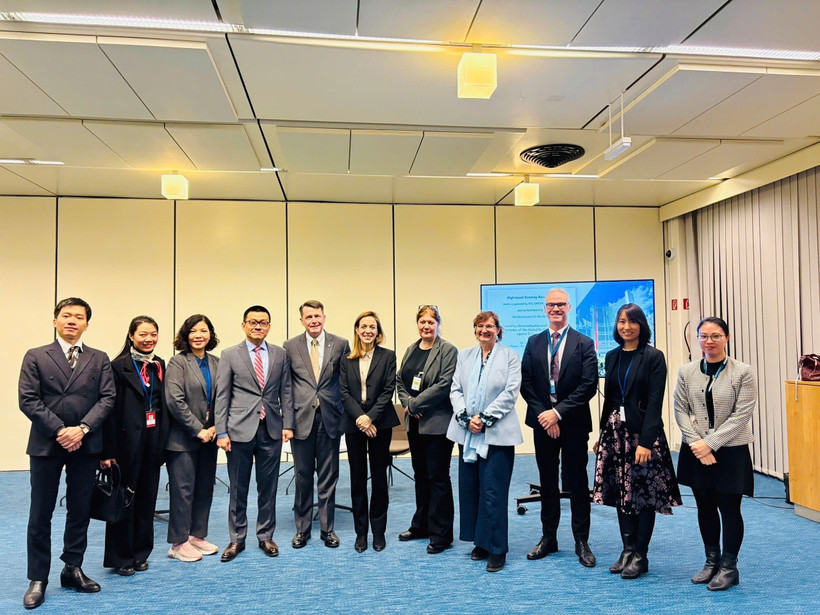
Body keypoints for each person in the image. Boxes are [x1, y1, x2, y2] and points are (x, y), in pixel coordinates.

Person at [19, 298, 116, 609]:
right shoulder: (36, 356)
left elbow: (107, 398)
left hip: (85, 443)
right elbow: (28, 400)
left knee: (79, 509)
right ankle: (38, 577)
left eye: (79, 317)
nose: (72, 321)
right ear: (55, 321)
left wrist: (83, 429)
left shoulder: (99, 358)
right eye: (66, 316)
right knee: (41, 511)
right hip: (49, 442)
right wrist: (61, 430)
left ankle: (72, 567)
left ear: (87, 323)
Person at [592, 304, 681, 579]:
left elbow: (655, 402)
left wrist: (646, 441)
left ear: (641, 325)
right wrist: (601, 434)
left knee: (642, 496)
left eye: (632, 322)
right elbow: (610, 399)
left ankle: (640, 554)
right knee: (621, 494)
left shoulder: (654, 357)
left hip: (642, 436)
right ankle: (627, 549)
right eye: (621, 321)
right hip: (615, 434)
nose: (626, 326)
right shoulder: (612, 355)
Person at [674, 316, 756, 591]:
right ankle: (711, 562)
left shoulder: (743, 371)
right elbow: (680, 409)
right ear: (698, 339)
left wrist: (711, 444)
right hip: (696, 450)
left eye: (716, 335)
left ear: (727, 338)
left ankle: (729, 567)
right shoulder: (686, 371)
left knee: (729, 509)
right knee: (705, 507)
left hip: (730, 451)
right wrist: (697, 444)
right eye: (704, 336)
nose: (709, 341)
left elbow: (741, 415)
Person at [521, 288, 598, 567]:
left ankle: (581, 541)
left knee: (578, 482)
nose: (556, 308)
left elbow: (589, 385)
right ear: (545, 308)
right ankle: (548, 538)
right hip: (542, 423)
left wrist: (557, 414)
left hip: (574, 423)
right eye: (551, 304)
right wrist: (545, 415)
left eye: (561, 304)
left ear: (569, 307)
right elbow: (526, 384)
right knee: (548, 481)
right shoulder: (533, 342)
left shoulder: (584, 342)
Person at [214, 305, 294, 562]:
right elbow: (222, 396)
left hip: (270, 429)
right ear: (243, 325)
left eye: (263, 322)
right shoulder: (229, 354)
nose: (258, 326)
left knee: (267, 487)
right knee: (238, 488)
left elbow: (287, 392)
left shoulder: (280, 354)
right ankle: (237, 539)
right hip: (238, 431)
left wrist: (288, 424)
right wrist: (222, 431)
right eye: (252, 322)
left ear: (269, 326)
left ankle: (265, 535)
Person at [447, 311, 522, 573]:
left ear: (498, 329)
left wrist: (485, 418)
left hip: (497, 434)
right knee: (471, 489)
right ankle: (480, 542)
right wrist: (465, 417)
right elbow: (455, 389)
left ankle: (498, 548)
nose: (484, 330)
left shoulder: (510, 356)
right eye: (479, 326)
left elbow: (511, 392)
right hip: (467, 432)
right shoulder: (465, 355)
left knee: (494, 492)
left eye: (489, 326)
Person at [101, 316, 169, 576]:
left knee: (146, 501)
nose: (148, 339)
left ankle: (141, 553)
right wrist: (107, 452)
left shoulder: (158, 365)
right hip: (124, 446)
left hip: (152, 444)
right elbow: (109, 411)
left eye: (153, 334)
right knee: (123, 501)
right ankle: (121, 557)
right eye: (143, 334)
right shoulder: (117, 367)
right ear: (131, 336)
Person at [283, 300, 350, 549]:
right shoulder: (290, 346)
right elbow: (286, 388)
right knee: (302, 477)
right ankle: (302, 530)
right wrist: (286, 423)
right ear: (301, 320)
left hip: (329, 419)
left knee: (328, 476)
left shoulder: (340, 344)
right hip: (301, 421)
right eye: (308, 317)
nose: (314, 320)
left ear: (324, 317)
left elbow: (345, 383)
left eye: (317, 316)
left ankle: (327, 529)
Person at [396, 305, 458, 554]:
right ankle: (421, 525)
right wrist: (408, 405)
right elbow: (400, 380)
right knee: (420, 476)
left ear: (438, 324)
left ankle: (442, 534)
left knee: (438, 478)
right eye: (422, 322)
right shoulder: (412, 349)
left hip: (437, 424)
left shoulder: (448, 350)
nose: (426, 326)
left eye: (431, 322)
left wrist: (416, 403)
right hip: (415, 423)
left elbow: (445, 384)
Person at [164, 314, 221, 562]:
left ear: (211, 335)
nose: (199, 335)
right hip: (184, 438)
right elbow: (174, 400)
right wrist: (198, 429)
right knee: (183, 491)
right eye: (193, 331)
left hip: (211, 436)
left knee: (204, 488)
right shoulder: (178, 362)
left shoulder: (217, 362)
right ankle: (177, 543)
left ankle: (197, 535)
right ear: (186, 335)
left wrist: (218, 426)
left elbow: (225, 397)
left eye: (204, 331)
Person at [339, 311, 398, 553]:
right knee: (357, 479)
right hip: (354, 424)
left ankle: (379, 532)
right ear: (356, 330)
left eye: (372, 327)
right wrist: (361, 419)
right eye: (363, 326)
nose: (367, 331)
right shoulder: (346, 359)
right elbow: (343, 392)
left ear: (378, 332)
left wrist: (370, 417)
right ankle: (361, 532)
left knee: (379, 478)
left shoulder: (388, 356)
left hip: (380, 425)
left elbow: (388, 390)